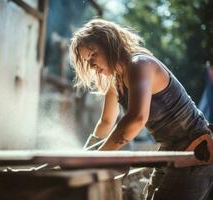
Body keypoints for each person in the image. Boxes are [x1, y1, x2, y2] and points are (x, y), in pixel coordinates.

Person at [69, 18, 213, 200]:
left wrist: (98, 157)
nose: (90, 65)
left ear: (107, 43)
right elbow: (106, 122)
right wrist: (86, 154)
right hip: (170, 150)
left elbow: (136, 120)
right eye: (86, 61)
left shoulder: (139, 65)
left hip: (196, 150)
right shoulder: (115, 80)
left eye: (92, 56)